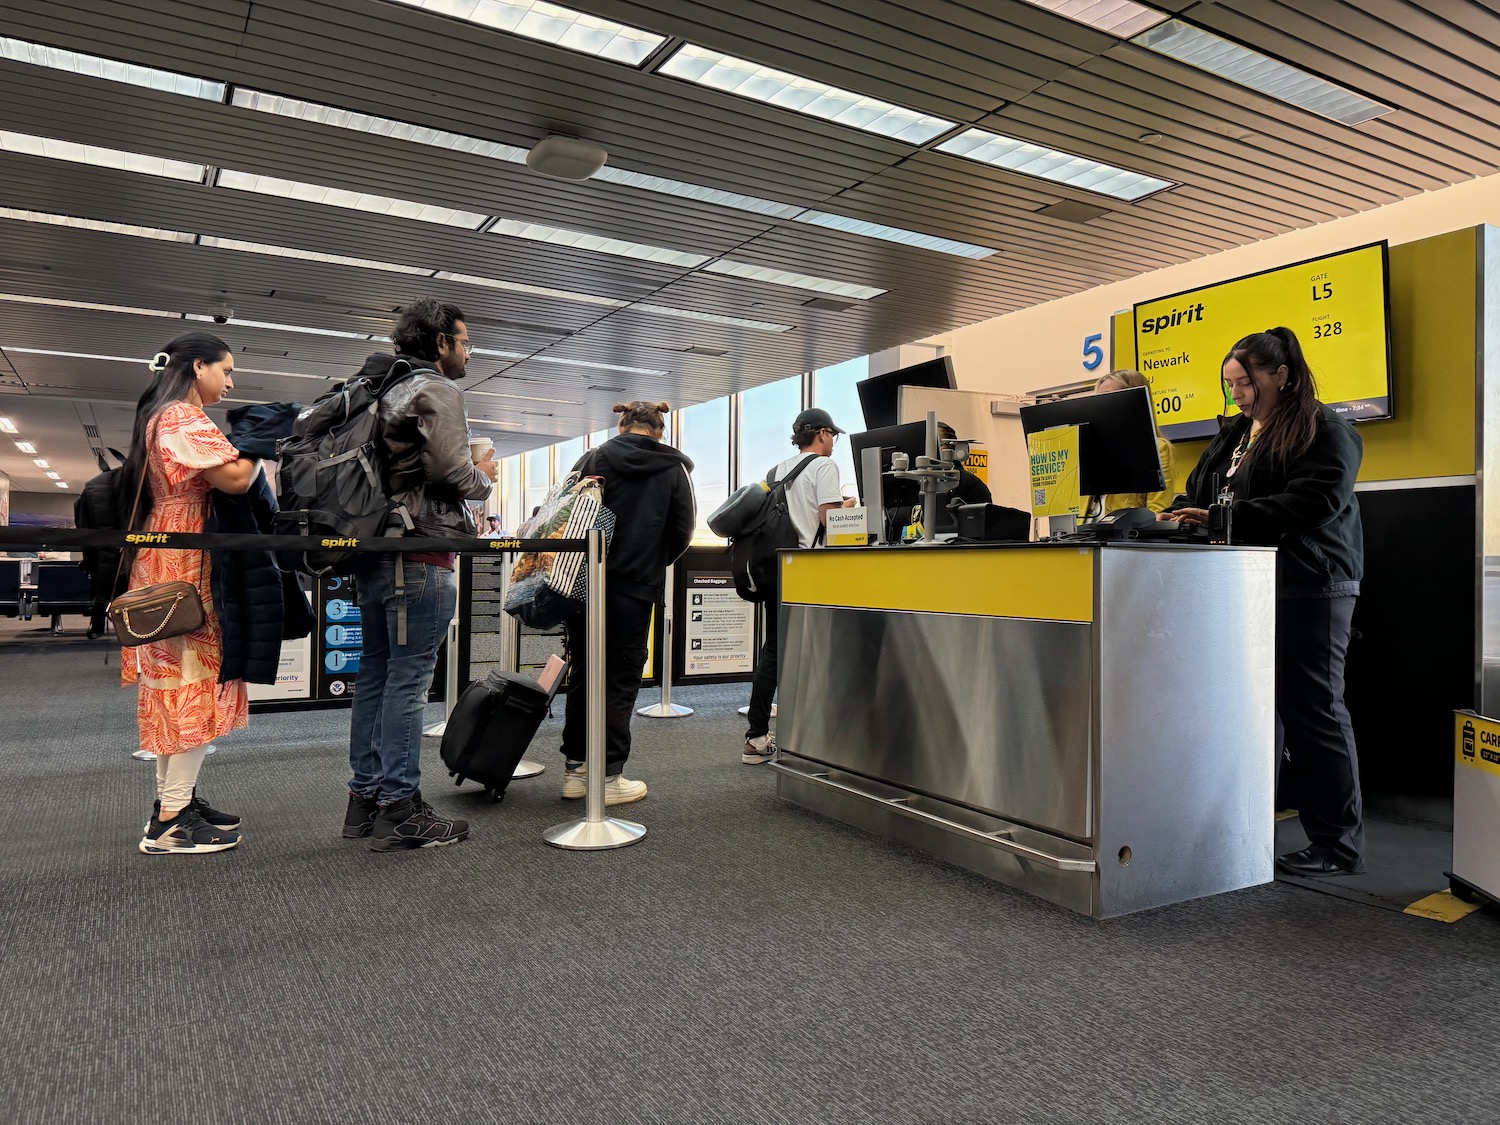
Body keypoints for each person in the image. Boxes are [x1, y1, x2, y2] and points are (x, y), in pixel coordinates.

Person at [1161, 327, 1367, 876]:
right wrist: (1180, 511)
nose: (1238, 395)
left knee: (1314, 711)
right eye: (1230, 384)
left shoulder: (1326, 429)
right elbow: (1202, 489)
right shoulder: (1235, 433)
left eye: (1246, 383)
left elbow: (1317, 499)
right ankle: (1252, 823)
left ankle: (1337, 845)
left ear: (1282, 374)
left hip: (1311, 584)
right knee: (1255, 711)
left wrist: (1225, 518)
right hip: (1246, 584)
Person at [343, 299, 497, 852]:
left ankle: (364, 801)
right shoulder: (436, 390)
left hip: (376, 550)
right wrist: (484, 477)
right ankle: (401, 806)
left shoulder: (377, 389)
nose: (467, 352)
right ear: (440, 343)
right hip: (420, 554)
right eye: (464, 341)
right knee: (408, 682)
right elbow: (454, 473)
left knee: (377, 676)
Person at [122, 333, 263, 855]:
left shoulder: (160, 416)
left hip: (168, 558)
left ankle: (172, 804)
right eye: (225, 370)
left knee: (172, 685)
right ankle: (173, 821)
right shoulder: (181, 416)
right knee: (192, 686)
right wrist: (261, 445)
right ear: (197, 366)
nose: (230, 381)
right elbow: (234, 479)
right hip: (186, 563)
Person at [560, 401, 695, 804]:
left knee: (584, 673)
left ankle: (576, 772)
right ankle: (610, 776)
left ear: (622, 424)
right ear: (659, 429)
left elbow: (564, 515)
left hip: (587, 585)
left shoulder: (593, 458)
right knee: (620, 678)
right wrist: (651, 563)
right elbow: (682, 530)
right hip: (635, 589)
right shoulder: (673, 469)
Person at [743, 408, 854, 765]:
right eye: (832, 434)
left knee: (774, 650)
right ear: (822, 433)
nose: (833, 441)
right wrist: (849, 507)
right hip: (808, 570)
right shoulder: (824, 467)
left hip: (776, 568)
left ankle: (757, 737)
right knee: (818, 649)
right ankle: (818, 737)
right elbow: (829, 521)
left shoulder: (777, 470)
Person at [1092, 369, 1175, 514]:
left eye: (1112, 398)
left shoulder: (1158, 448)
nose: (1103, 406)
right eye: (1099, 399)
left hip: (1126, 535)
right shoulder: (1091, 450)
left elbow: (1158, 513)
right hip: (1083, 535)